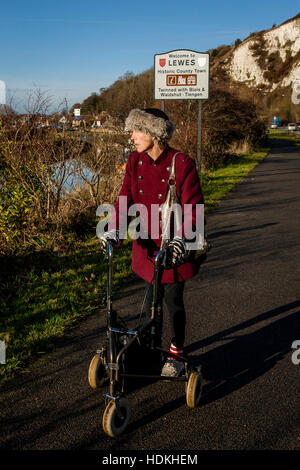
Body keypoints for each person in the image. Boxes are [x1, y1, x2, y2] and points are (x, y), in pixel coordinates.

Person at [100, 108, 205, 377]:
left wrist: (182, 240)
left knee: (173, 300)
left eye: (137, 130)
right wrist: (114, 230)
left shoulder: (181, 163)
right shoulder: (134, 161)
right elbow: (125, 200)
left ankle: (176, 353)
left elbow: (194, 209)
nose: (132, 136)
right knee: (149, 302)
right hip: (148, 244)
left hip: (174, 246)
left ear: (154, 133)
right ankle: (150, 349)